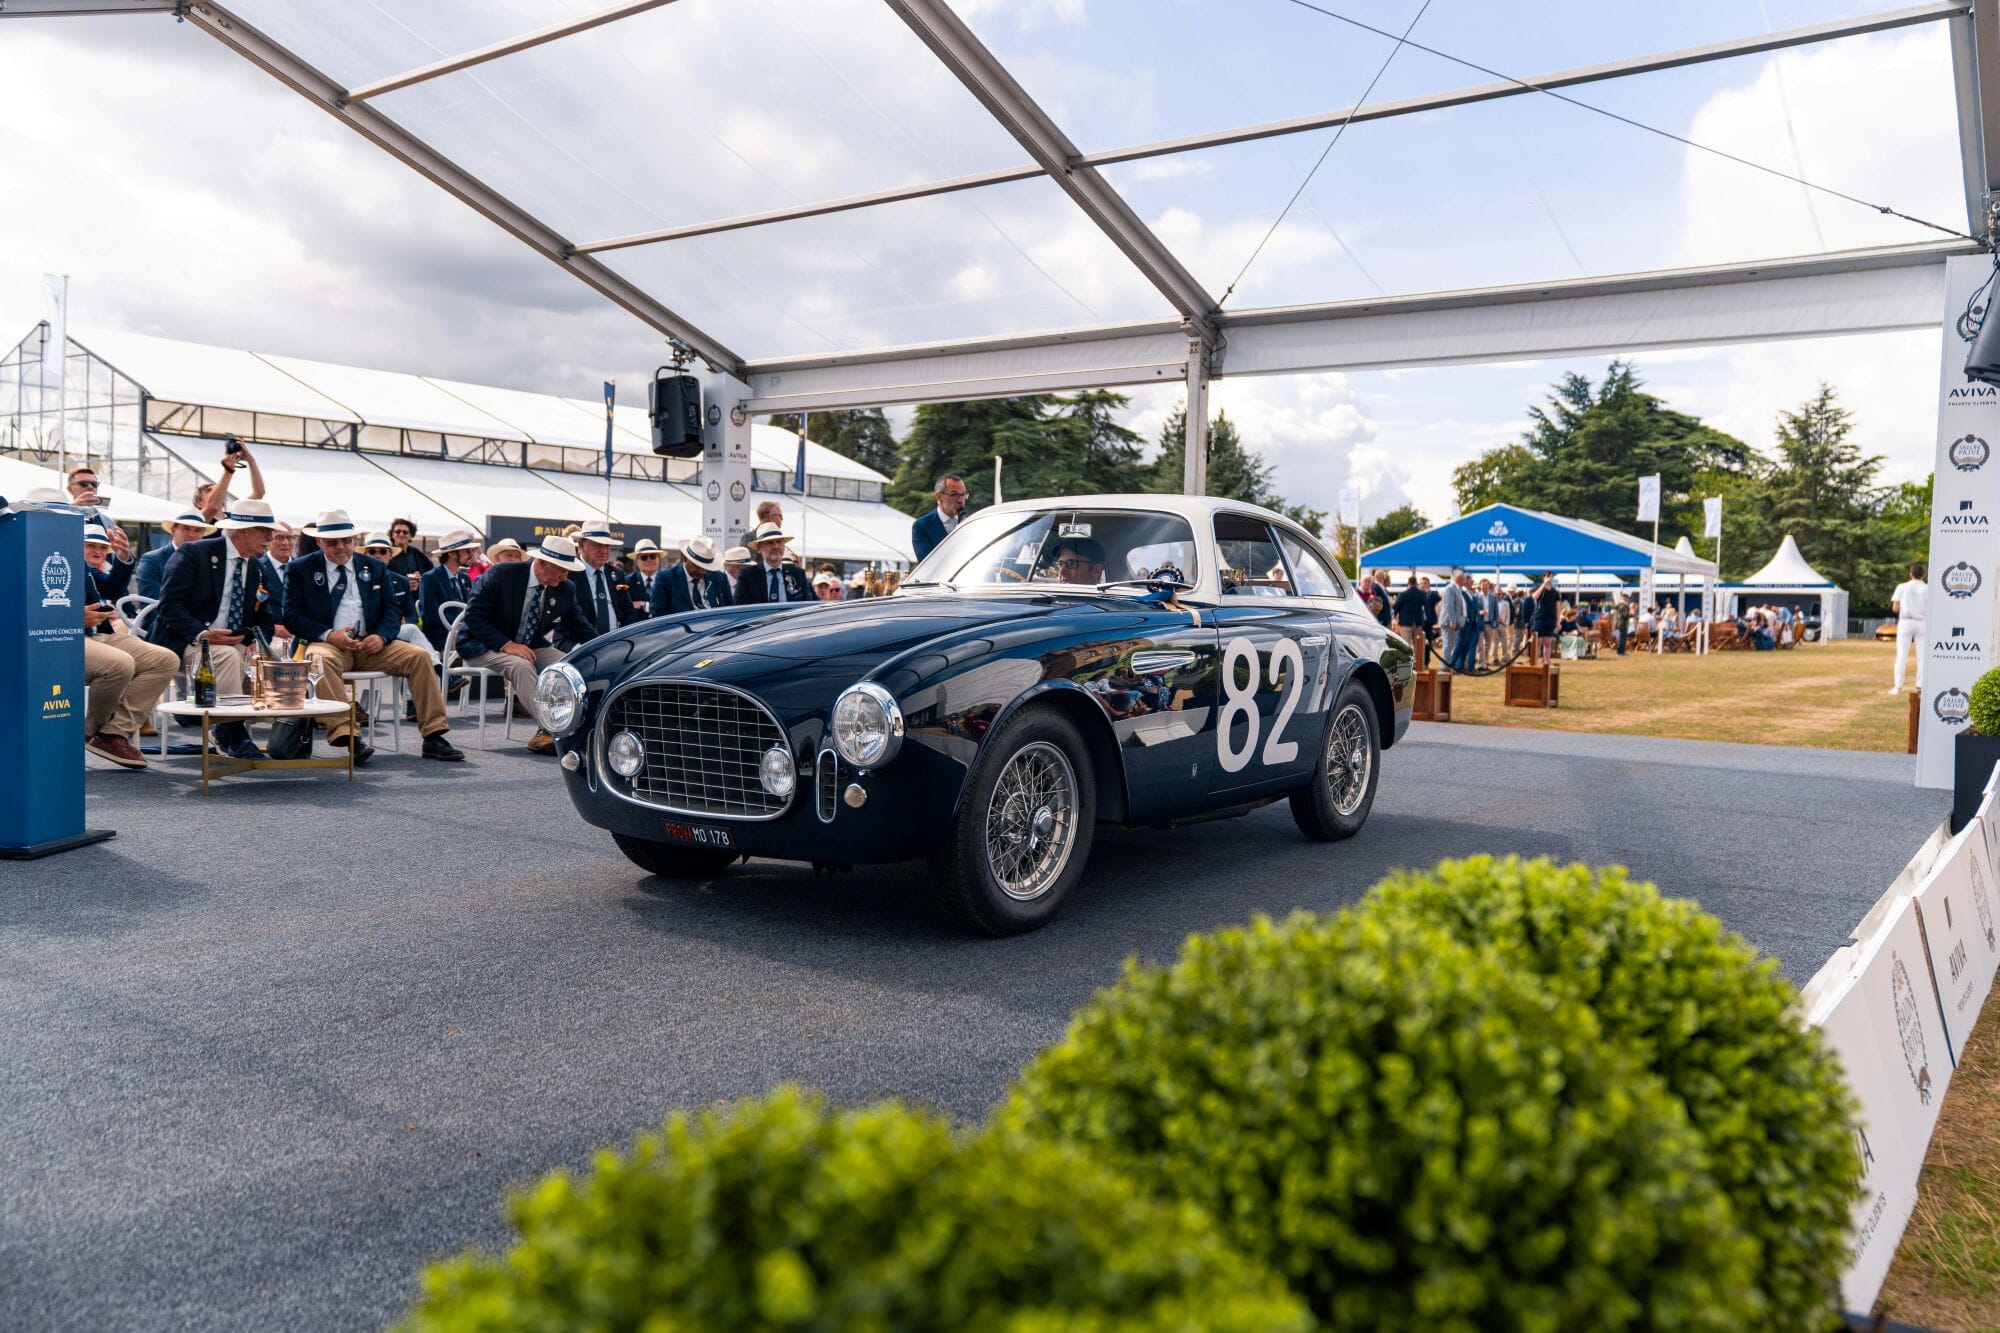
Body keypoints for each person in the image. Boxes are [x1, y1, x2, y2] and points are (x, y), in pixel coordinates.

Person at [284, 510, 464, 765]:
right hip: (329, 644)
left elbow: (392, 610)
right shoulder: (301, 569)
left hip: (372, 645)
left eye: (346, 540)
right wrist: (329, 635)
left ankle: (434, 735)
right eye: (333, 542)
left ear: (354, 539)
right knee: (318, 659)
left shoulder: (375, 567)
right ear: (319, 542)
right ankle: (348, 736)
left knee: (420, 657)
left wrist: (380, 636)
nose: (341, 547)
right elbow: (291, 616)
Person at [152, 499, 283, 760]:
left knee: (266, 656)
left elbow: (265, 621)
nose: (271, 537)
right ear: (242, 531)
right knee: (225, 655)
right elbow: (169, 607)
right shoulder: (194, 554)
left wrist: (250, 638)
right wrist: (203, 634)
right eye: (265, 531)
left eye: (272, 531)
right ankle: (229, 732)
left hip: (230, 644)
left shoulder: (257, 568)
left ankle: (290, 732)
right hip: (185, 640)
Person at [457, 536, 597, 755]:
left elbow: (580, 626)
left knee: (569, 665)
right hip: (481, 644)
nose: (565, 575)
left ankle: (576, 725)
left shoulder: (565, 588)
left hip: (527, 645)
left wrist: (606, 647)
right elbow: (474, 618)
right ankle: (553, 728)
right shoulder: (502, 574)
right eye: (562, 568)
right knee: (520, 666)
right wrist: (506, 644)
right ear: (542, 563)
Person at [78, 522, 179, 770]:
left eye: (102, 547)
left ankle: (113, 734)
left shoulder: (83, 567)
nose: (97, 551)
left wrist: (123, 558)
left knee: (166, 659)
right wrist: (74, 616)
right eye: (90, 545)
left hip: (98, 636)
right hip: (64, 637)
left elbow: (112, 588)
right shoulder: (34, 557)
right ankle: (85, 734)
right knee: (120, 663)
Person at [132, 510, 218, 602]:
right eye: (186, 528)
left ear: (202, 535)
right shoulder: (152, 560)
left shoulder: (209, 562)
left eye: (197, 530)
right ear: (173, 530)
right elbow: (151, 605)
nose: (191, 534)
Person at [418, 530, 482, 654]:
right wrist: (461, 624)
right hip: (442, 639)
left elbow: (471, 609)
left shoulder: (464, 578)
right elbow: (430, 616)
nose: (471, 554)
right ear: (452, 554)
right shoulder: (430, 578)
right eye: (467, 551)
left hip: (463, 636)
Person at [572, 522, 635, 636]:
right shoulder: (569, 574)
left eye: (607, 546)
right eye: (598, 545)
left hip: (615, 643)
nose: (604, 551)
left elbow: (629, 612)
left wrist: (624, 639)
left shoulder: (617, 574)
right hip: (579, 645)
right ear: (581, 545)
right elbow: (565, 620)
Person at [734, 522, 812, 604]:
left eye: (779, 542)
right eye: (770, 543)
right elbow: (741, 608)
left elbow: (808, 607)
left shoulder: (798, 574)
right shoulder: (748, 575)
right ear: (759, 548)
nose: (776, 546)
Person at [653, 536, 733, 615]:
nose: (702, 571)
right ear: (685, 558)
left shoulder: (720, 578)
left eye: (706, 567)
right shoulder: (665, 579)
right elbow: (659, 616)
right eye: (697, 566)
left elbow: (731, 611)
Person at [911, 474, 969, 561]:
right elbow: (927, 564)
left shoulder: (968, 523)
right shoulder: (922, 526)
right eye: (954, 495)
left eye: (963, 495)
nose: (961, 500)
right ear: (939, 496)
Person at [1891, 561, 1926, 691]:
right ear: (1923, 575)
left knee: (1901, 654)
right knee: (1922, 656)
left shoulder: (1901, 587)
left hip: (1906, 621)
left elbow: (1895, 607)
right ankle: (1920, 686)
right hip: (1922, 622)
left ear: (1910, 574)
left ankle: (1898, 686)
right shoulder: (1927, 588)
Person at [627, 538, 664, 616]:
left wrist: (642, 604)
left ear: (659, 559)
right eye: (644, 557)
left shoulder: (668, 581)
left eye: (652, 556)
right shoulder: (628, 582)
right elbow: (625, 607)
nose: (649, 560)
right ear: (636, 561)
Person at [1530, 571, 1560, 663]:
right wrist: (1543, 584)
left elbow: (1558, 606)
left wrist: (1558, 621)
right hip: (1539, 618)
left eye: (1551, 577)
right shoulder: (1539, 588)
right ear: (1544, 578)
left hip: (1550, 619)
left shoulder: (1555, 592)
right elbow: (1534, 597)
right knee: (1538, 642)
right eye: (1548, 577)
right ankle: (1534, 662)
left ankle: (1546, 662)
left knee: (1548, 642)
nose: (1550, 579)